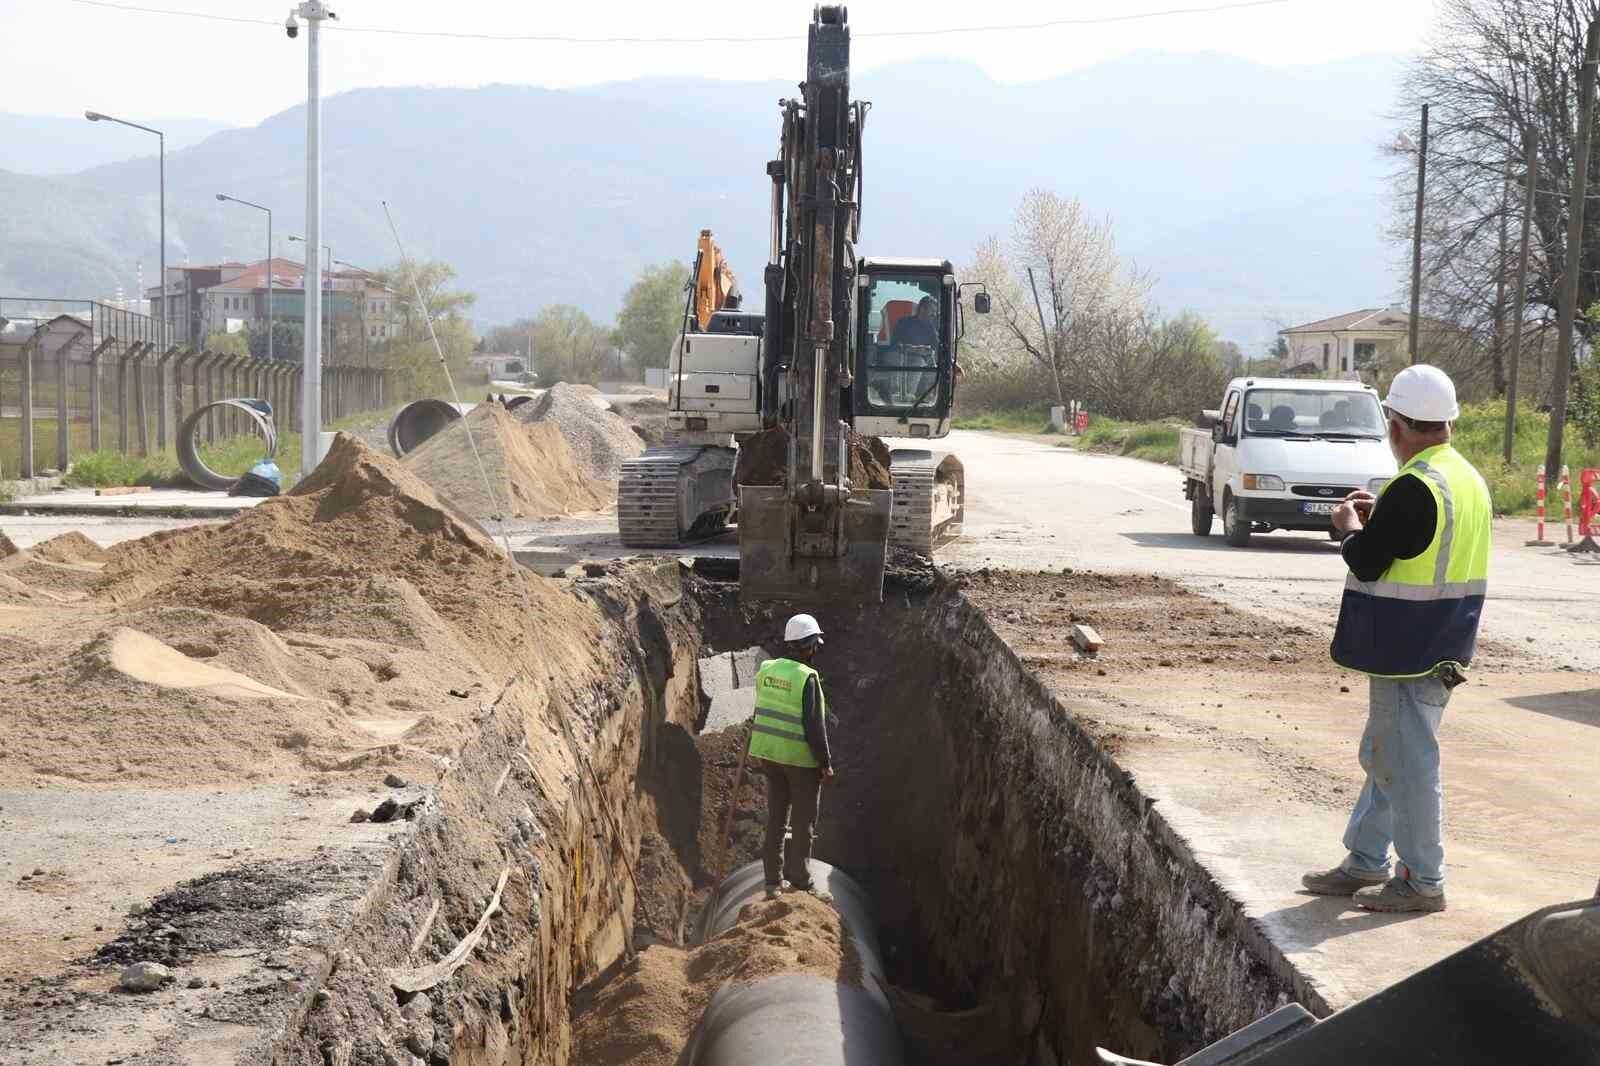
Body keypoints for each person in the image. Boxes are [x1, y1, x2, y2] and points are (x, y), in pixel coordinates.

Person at [1303, 364, 1491, 913]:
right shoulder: (1463, 478)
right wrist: (1378, 516)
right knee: (1388, 753)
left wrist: (1348, 525)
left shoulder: (1415, 485)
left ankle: (1422, 880)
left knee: (1407, 764)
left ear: (1397, 425)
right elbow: (1419, 543)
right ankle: (1364, 860)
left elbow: (1368, 560)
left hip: (1406, 650)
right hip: (1445, 644)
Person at [748, 613, 835, 901]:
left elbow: (764, 706)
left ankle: (772, 882)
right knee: (802, 823)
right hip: (799, 761)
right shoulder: (806, 678)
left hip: (769, 756)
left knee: (775, 819)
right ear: (808, 645)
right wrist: (825, 763)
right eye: (815, 644)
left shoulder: (767, 668)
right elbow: (814, 727)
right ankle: (800, 881)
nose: (817, 650)